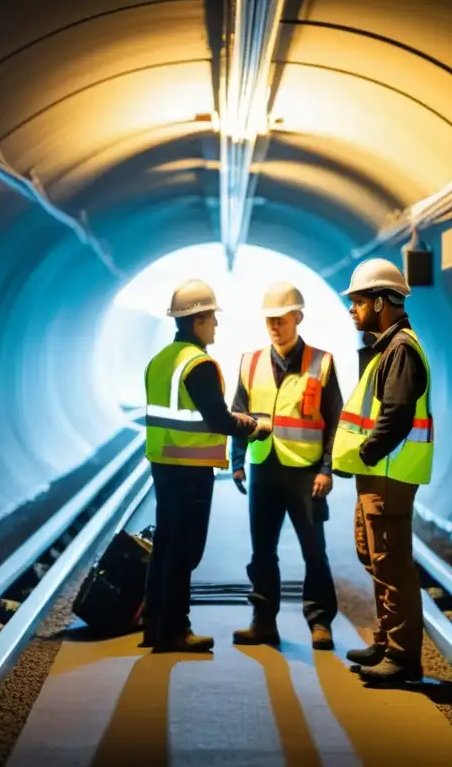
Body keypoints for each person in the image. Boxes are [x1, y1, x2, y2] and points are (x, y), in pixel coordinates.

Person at [143, 278, 268, 653]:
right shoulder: (199, 364)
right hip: (190, 471)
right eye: (212, 317)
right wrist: (254, 426)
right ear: (198, 320)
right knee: (185, 551)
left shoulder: (160, 360)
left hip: (163, 464)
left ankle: (154, 625)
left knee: (165, 544)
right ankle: (175, 631)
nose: (215, 324)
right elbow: (219, 420)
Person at [331, 258, 434, 683]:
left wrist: (368, 454)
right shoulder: (385, 349)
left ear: (379, 303)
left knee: (391, 563)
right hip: (377, 476)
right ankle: (387, 640)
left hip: (389, 475)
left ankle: (404, 657)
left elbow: (396, 416)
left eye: (357, 302)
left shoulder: (401, 350)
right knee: (372, 555)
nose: (352, 310)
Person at [229, 282, 343, 650]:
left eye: (280, 319)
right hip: (264, 468)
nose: (274, 326)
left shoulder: (321, 363)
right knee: (262, 552)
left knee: (314, 551)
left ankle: (320, 622)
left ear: (298, 317)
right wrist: (237, 460)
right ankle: (263, 622)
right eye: (269, 321)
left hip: (306, 473)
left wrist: (327, 469)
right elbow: (238, 414)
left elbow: (334, 420)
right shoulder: (251, 362)